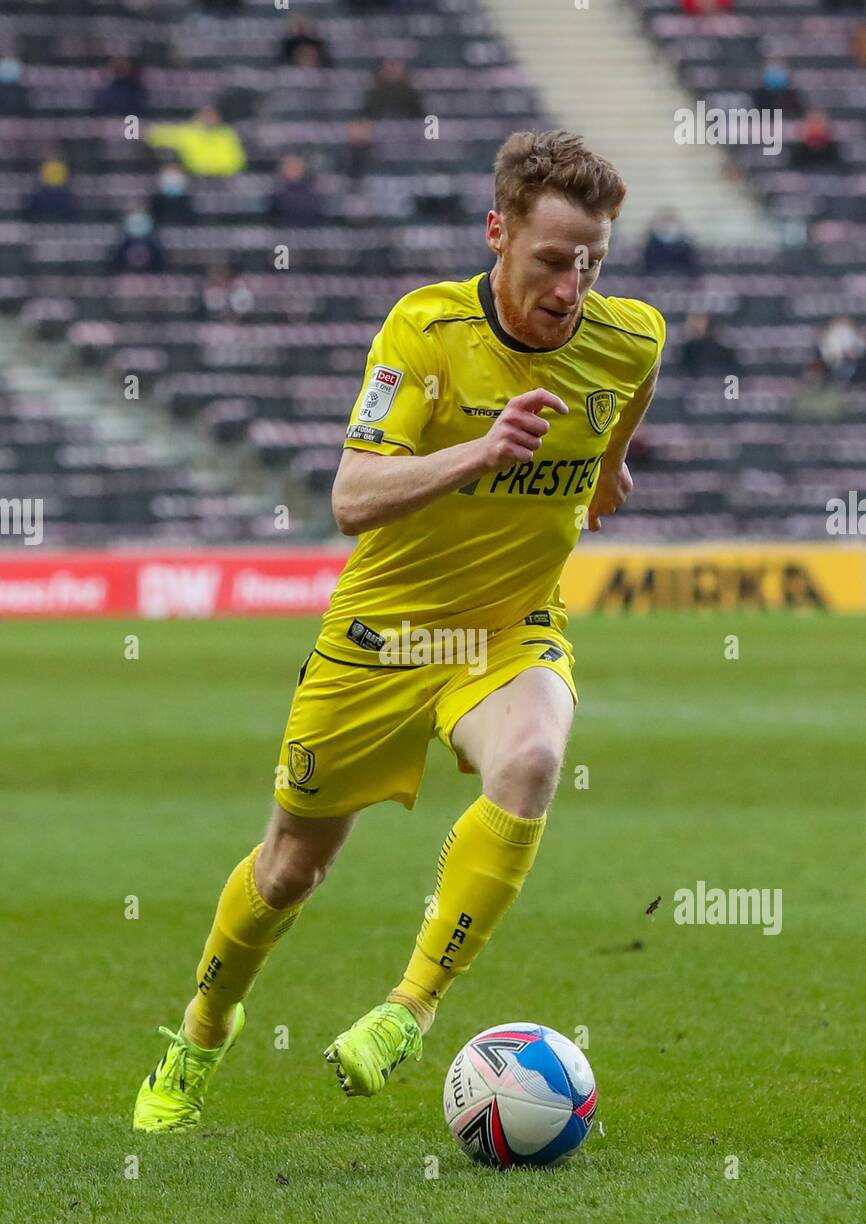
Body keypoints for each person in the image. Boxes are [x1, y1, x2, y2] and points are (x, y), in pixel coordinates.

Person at [132, 128, 665, 1132]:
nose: (573, 284)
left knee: (536, 754)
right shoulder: (421, 332)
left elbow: (625, 393)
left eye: (592, 259)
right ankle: (204, 1026)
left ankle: (410, 1007)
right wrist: (477, 454)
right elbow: (351, 495)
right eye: (553, 259)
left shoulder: (630, 333)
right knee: (291, 867)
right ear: (496, 234)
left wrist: (607, 466)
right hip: (383, 638)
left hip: (508, 630)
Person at [146, 105, 246, 177]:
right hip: (192, 177)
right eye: (205, 116)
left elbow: (236, 162)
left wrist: (209, 168)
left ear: (218, 118)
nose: (208, 119)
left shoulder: (227, 134)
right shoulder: (188, 131)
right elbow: (159, 135)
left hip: (223, 179)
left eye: (211, 116)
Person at [269, 154, 326, 225]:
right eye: (290, 167)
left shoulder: (311, 190)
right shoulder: (277, 192)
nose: (293, 171)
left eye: (295, 167)